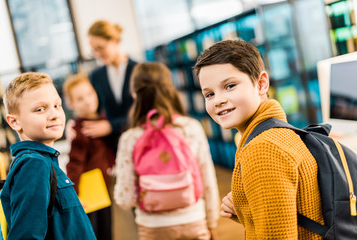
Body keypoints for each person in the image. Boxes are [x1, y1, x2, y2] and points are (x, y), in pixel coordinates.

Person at [194, 39, 324, 239]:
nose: (218, 100)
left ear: (261, 83)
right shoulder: (279, 132)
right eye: (209, 94)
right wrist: (249, 211)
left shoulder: (263, 149)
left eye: (230, 86)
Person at [114, 62, 220, 240]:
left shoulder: (130, 138)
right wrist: (211, 223)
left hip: (152, 228)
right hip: (194, 220)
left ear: (134, 94)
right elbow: (208, 182)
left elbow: (125, 199)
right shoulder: (190, 128)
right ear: (170, 90)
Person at [65, 20, 139, 240]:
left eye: (100, 48)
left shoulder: (138, 70)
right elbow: (90, 107)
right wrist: (72, 123)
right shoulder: (96, 76)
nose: (97, 54)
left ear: (114, 40)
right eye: (93, 49)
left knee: (142, 202)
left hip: (137, 143)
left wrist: (111, 125)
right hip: (108, 150)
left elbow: (142, 112)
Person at [2, 72, 96, 239]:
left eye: (57, 105)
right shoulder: (33, 165)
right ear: (14, 122)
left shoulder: (45, 161)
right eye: (40, 109)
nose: (54, 114)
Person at [63, 74, 114, 240]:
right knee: (97, 232)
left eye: (89, 94)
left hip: (104, 186)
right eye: (79, 98)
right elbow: (74, 163)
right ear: (71, 103)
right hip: (90, 191)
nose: (87, 100)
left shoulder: (103, 120)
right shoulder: (81, 129)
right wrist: (73, 193)